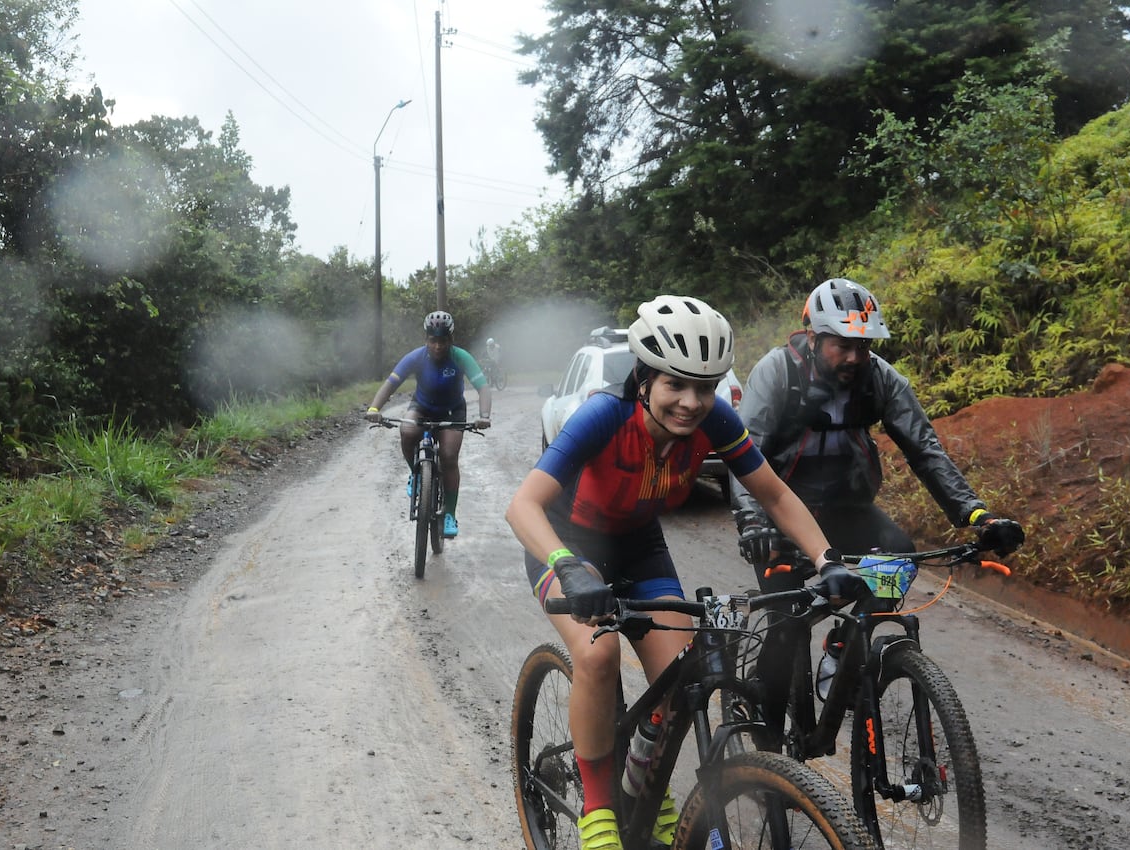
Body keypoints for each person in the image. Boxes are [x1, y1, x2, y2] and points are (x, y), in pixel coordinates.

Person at [505, 295, 862, 850]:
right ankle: (600, 808)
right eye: (676, 384)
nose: (692, 402)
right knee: (598, 655)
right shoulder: (603, 415)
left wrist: (827, 560)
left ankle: (642, 782)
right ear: (644, 379)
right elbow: (522, 506)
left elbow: (773, 493)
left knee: (680, 675)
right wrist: (568, 568)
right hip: (567, 544)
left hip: (637, 543)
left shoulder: (716, 420)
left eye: (706, 386)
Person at [729, 277, 1024, 695]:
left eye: (863, 346)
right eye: (842, 345)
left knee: (898, 558)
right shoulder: (777, 372)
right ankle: (764, 730)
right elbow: (746, 453)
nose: (855, 357)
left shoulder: (881, 378)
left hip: (847, 507)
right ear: (813, 338)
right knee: (786, 628)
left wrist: (977, 515)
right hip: (782, 516)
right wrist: (752, 522)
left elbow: (925, 450)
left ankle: (845, 643)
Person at [366, 310, 492, 538]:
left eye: (442, 340)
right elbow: (391, 383)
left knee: (449, 455)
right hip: (422, 406)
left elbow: (482, 387)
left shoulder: (461, 357)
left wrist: (484, 415)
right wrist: (375, 409)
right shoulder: (415, 357)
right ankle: (415, 473)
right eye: (433, 340)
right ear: (426, 339)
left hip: (453, 410)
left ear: (450, 339)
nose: (437, 346)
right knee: (407, 431)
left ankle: (450, 514)